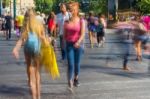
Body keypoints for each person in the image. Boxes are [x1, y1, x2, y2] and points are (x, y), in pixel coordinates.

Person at [12, 8, 48, 99]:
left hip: (28, 48)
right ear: (35, 16)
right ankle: (38, 96)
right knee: (37, 74)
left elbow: (21, 40)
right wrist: (47, 43)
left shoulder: (25, 26)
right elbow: (43, 37)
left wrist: (16, 49)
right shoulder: (39, 24)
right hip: (37, 50)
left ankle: (33, 94)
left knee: (30, 72)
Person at [64, 1, 85, 92]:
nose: (70, 11)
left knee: (77, 64)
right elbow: (64, 35)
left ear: (76, 10)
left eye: (72, 9)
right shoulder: (66, 21)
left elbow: (83, 34)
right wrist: (65, 43)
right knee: (70, 64)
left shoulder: (81, 21)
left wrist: (78, 42)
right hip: (69, 45)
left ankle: (76, 78)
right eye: (69, 9)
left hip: (78, 45)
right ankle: (70, 82)